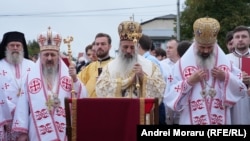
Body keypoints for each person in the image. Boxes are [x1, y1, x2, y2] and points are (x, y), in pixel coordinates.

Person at [165, 17, 247, 125]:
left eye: (210, 47)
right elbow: (169, 95)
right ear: (195, 44)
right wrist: (189, 82)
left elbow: (241, 89)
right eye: (202, 47)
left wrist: (226, 77)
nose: (206, 50)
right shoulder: (180, 67)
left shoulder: (226, 63)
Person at [12, 27, 88, 140]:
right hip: (37, 131)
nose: (49, 58)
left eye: (53, 55)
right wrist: (23, 132)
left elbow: (81, 97)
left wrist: (75, 79)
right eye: (46, 54)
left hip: (63, 129)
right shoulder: (30, 79)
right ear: (40, 56)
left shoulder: (68, 77)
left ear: (58, 56)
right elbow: (22, 106)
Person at [96, 20, 165, 99]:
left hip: (141, 110)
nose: (129, 51)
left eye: (132, 47)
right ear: (120, 46)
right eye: (125, 47)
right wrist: (128, 82)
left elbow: (160, 89)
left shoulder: (151, 66)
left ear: (137, 47)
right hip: (118, 110)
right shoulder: (110, 67)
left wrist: (143, 77)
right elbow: (101, 89)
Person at [0, 31, 35, 140]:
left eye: (18, 45)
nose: (15, 48)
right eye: (12, 45)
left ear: (22, 47)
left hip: (27, 117)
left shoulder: (32, 66)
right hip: (5, 117)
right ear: (6, 47)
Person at [226, 25, 250, 124]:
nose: (240, 39)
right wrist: (238, 79)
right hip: (234, 105)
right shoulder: (225, 59)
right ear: (233, 41)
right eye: (237, 37)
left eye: (244, 36)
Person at [78, 33, 113, 97]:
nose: (99, 46)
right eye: (97, 44)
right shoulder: (89, 67)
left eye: (103, 44)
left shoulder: (115, 65)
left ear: (109, 46)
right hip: (88, 104)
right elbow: (77, 82)